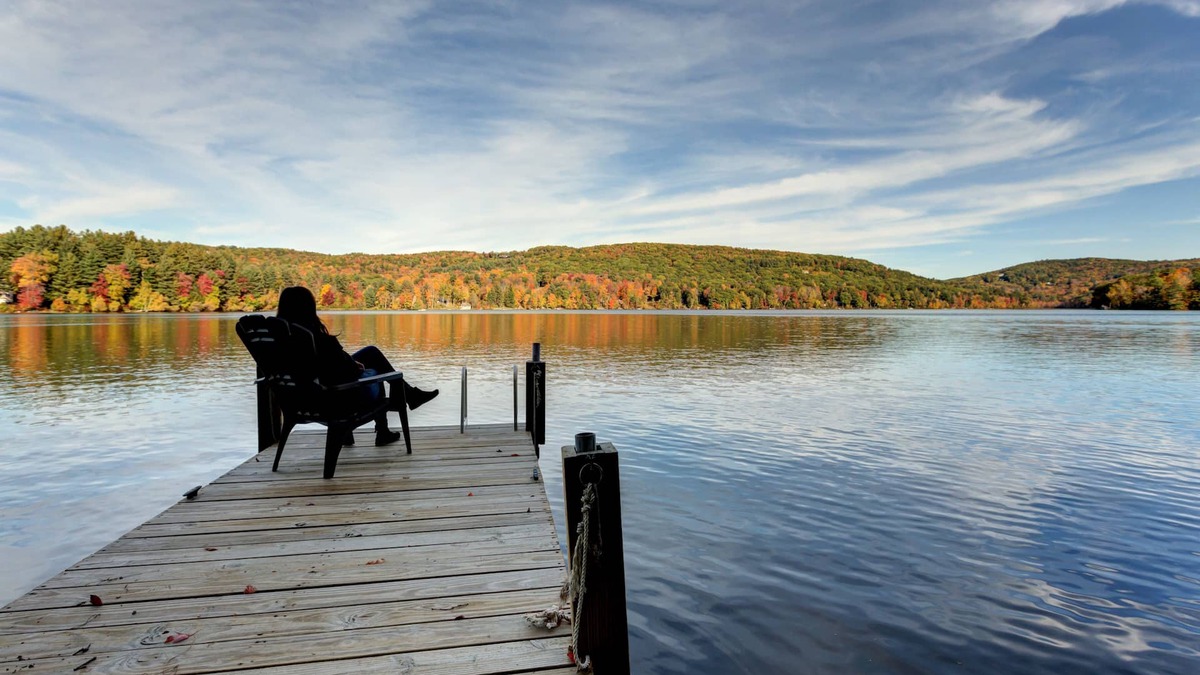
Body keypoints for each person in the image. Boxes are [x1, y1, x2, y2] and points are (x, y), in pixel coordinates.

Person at [275, 285, 438, 446]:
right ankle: (392, 418)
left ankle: (407, 400)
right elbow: (344, 368)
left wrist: (350, 363)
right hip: (338, 400)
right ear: (308, 309)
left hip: (302, 400)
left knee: (370, 354)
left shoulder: (280, 341)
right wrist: (355, 366)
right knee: (375, 366)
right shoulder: (316, 338)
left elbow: (328, 365)